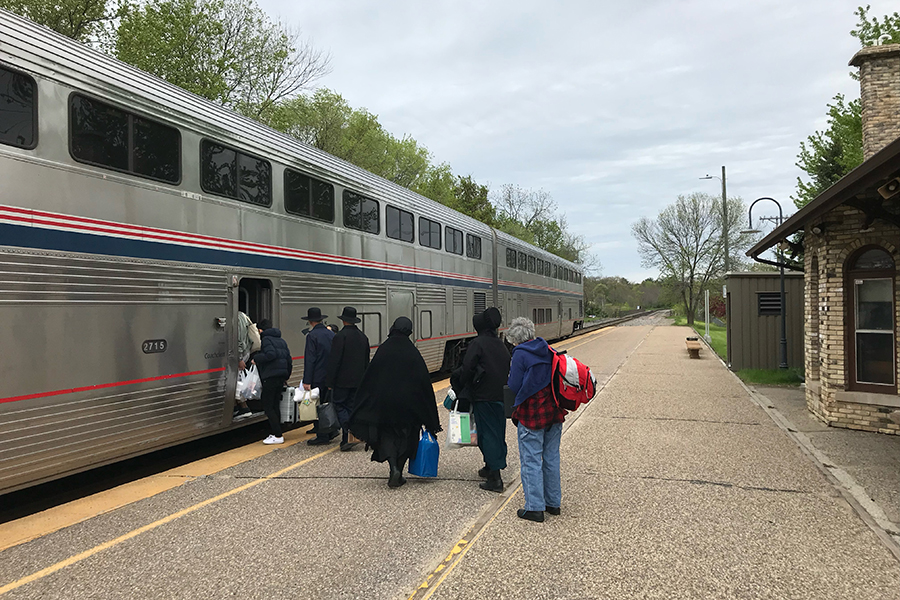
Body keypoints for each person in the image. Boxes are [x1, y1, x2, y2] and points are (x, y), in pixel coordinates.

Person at [349, 317, 441, 488]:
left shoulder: (384, 350)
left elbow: (370, 378)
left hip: (384, 405)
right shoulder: (412, 352)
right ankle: (399, 468)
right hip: (408, 407)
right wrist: (428, 414)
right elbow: (423, 382)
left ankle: (393, 468)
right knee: (407, 438)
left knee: (387, 436)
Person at [506, 316, 567, 522]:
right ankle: (553, 503)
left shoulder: (520, 354)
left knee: (531, 459)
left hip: (532, 413)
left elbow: (514, 385)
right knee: (551, 457)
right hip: (555, 411)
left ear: (515, 338)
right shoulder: (547, 349)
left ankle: (534, 507)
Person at [452, 307, 510, 492]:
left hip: (484, 396)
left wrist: (461, 384)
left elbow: (467, 367)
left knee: (487, 435)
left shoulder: (478, 343)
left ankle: (495, 478)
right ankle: (490, 466)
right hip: (501, 396)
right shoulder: (500, 344)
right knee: (497, 433)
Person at [325, 307, 371, 451]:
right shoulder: (363, 337)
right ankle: (348, 438)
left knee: (339, 405)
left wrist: (330, 381)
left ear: (343, 320)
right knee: (352, 407)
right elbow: (366, 361)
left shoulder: (340, 337)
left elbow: (334, 361)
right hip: (359, 380)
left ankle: (350, 430)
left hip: (342, 381)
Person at [252, 319, 293, 445]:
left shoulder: (266, 340)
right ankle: (277, 432)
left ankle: (277, 435)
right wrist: (286, 375)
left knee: (268, 405)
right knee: (275, 405)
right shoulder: (281, 340)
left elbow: (271, 354)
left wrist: (256, 359)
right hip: (280, 377)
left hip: (270, 377)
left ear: (260, 330)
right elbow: (288, 359)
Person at [303, 307, 337, 445]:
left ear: (310, 321)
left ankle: (322, 436)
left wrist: (307, 380)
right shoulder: (331, 335)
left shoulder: (312, 336)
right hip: (330, 376)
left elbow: (310, 359)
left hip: (317, 376)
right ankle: (331, 429)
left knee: (318, 406)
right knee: (328, 404)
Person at [234, 311, 261, 420]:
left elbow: (239, 339)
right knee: (236, 380)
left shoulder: (239, 317)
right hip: (242, 353)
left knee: (236, 381)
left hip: (241, 353)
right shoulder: (241, 316)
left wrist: (240, 358)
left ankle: (244, 408)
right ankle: (236, 407)